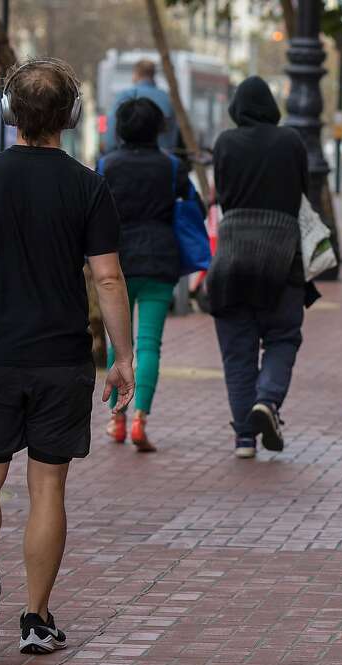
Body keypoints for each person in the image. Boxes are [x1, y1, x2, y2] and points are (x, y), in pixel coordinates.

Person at [0, 58, 134, 656]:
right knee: (48, 488)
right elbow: (109, 279)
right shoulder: (87, 184)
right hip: (61, 358)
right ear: (70, 116)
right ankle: (36, 619)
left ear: (12, 114)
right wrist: (123, 356)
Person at [211, 76, 313, 459]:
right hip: (283, 254)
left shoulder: (224, 142)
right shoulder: (291, 141)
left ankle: (243, 439)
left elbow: (222, 197)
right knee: (283, 337)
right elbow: (305, 192)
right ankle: (267, 402)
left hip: (232, 254)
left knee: (237, 352)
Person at [99, 98, 201, 452]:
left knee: (118, 342)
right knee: (149, 344)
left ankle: (117, 419)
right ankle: (141, 417)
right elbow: (193, 204)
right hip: (161, 258)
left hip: (117, 261)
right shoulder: (171, 166)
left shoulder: (107, 165)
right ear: (159, 128)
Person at [103, 59, 178, 153]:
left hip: (128, 157)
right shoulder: (167, 99)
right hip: (162, 159)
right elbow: (173, 134)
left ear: (136, 74)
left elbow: (111, 133)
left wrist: (109, 153)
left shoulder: (124, 96)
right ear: (153, 75)